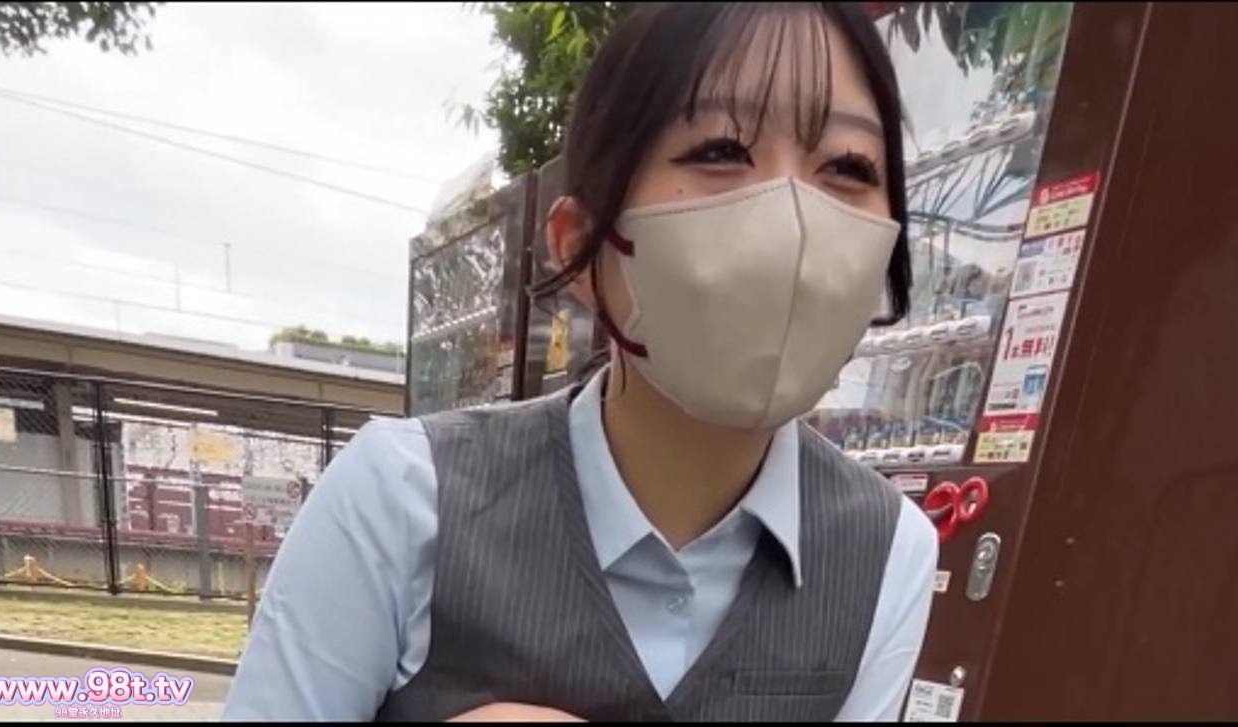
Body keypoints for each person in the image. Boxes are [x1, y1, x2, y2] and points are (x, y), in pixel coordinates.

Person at [224, 2, 938, 721]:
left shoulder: (886, 552)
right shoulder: (402, 497)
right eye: (722, 150)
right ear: (580, 246)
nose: (794, 224)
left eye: (848, 166)